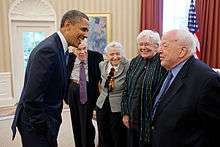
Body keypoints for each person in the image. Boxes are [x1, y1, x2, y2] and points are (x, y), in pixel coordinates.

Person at [11, 10, 89, 147]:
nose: (86, 35)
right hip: (36, 124)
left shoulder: (60, 48)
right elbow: (32, 97)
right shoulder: (49, 50)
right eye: (83, 29)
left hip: (46, 119)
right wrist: (43, 126)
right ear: (68, 24)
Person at [151, 29, 220, 147]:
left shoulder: (206, 79)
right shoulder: (169, 70)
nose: (159, 50)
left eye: (165, 45)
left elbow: (213, 130)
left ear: (182, 51)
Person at [121, 30, 166, 147]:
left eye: (147, 44)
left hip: (150, 120)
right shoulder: (135, 61)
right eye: (140, 44)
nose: (143, 47)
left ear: (157, 46)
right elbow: (126, 88)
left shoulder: (163, 63)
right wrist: (125, 113)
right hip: (132, 117)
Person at [66, 39, 103, 147]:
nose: (82, 52)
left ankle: (89, 144)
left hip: (88, 91)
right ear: (73, 50)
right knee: (76, 121)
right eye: (79, 49)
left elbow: (102, 78)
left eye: (84, 48)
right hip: (73, 90)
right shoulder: (69, 58)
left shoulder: (96, 57)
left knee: (86, 121)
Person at [96, 41, 129, 147]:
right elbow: (99, 83)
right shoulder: (102, 65)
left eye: (118, 54)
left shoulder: (128, 65)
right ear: (107, 55)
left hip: (118, 105)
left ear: (122, 54)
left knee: (117, 135)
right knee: (103, 132)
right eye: (111, 54)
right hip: (102, 103)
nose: (115, 57)